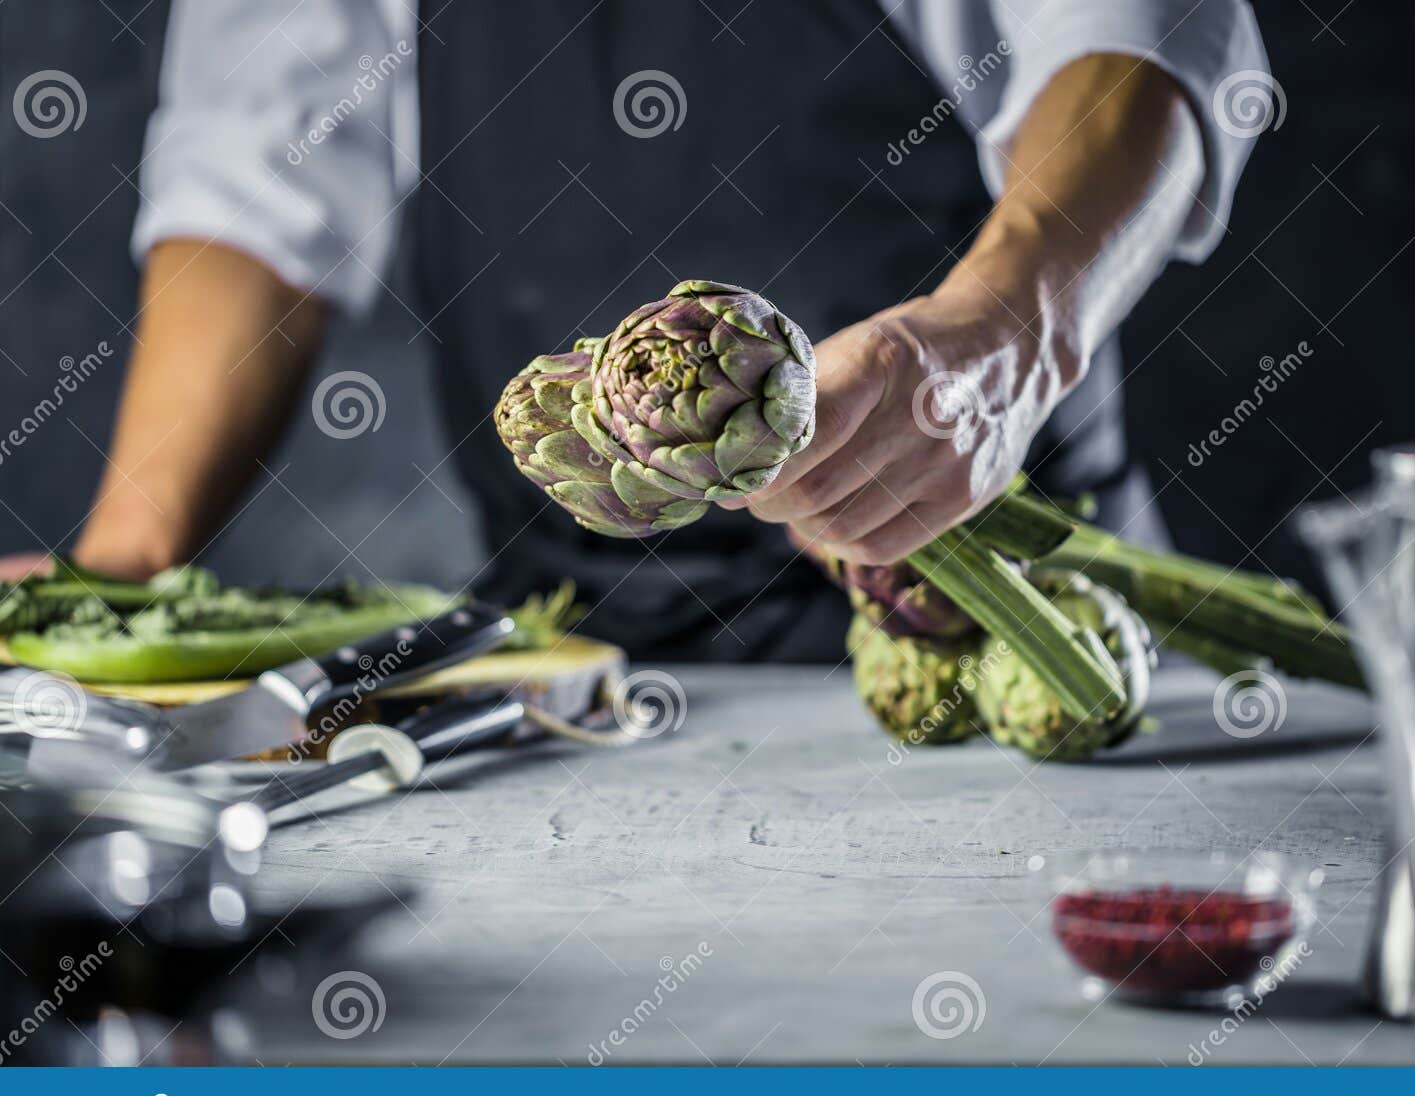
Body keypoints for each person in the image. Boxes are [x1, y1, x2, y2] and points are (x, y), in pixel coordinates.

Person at [1, 0, 1267, 661]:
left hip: (1001, 601)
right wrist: (126, 562)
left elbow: (1129, 50)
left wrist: (1007, 333)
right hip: (575, 657)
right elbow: (253, 185)